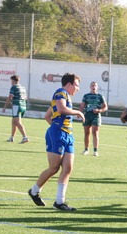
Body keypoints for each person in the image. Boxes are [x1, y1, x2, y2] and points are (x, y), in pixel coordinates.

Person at [28, 73, 84, 211]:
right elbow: (60, 109)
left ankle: (59, 202)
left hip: (68, 134)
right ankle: (34, 191)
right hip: (58, 134)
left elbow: (48, 115)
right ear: (69, 84)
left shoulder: (66, 97)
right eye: (76, 85)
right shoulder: (60, 93)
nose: (78, 88)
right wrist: (77, 112)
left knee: (68, 168)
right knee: (54, 168)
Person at [79, 81, 107, 156]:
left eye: (95, 85)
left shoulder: (100, 96)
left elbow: (105, 107)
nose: (93, 87)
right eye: (92, 85)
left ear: (97, 87)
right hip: (87, 115)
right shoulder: (86, 96)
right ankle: (86, 149)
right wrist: (80, 113)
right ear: (90, 87)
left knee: (95, 132)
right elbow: (82, 105)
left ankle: (95, 150)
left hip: (96, 116)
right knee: (86, 133)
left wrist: (99, 110)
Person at [2, 75, 29, 144]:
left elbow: (10, 97)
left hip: (17, 106)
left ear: (13, 80)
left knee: (17, 122)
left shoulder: (14, 87)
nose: (10, 82)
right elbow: (25, 98)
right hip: (23, 106)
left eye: (11, 80)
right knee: (14, 121)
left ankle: (25, 137)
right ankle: (12, 137)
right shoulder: (22, 88)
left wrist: (5, 107)